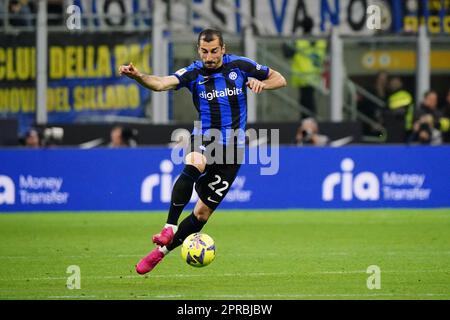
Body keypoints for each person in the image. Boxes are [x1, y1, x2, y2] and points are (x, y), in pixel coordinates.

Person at [119, 29, 287, 275]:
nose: (209, 57)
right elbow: (161, 83)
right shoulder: (194, 73)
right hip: (207, 138)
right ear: (199, 50)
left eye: (214, 51)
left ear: (223, 48)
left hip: (233, 150)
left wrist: (262, 83)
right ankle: (169, 226)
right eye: (205, 51)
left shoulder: (240, 66)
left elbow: (280, 79)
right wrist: (138, 76)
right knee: (194, 162)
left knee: (201, 213)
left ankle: (160, 253)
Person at [283, 17, 327, 119]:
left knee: (306, 103)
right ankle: (310, 120)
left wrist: (289, 36)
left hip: (302, 77)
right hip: (315, 76)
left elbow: (287, 53)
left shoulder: (299, 41)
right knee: (310, 102)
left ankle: (308, 122)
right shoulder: (320, 42)